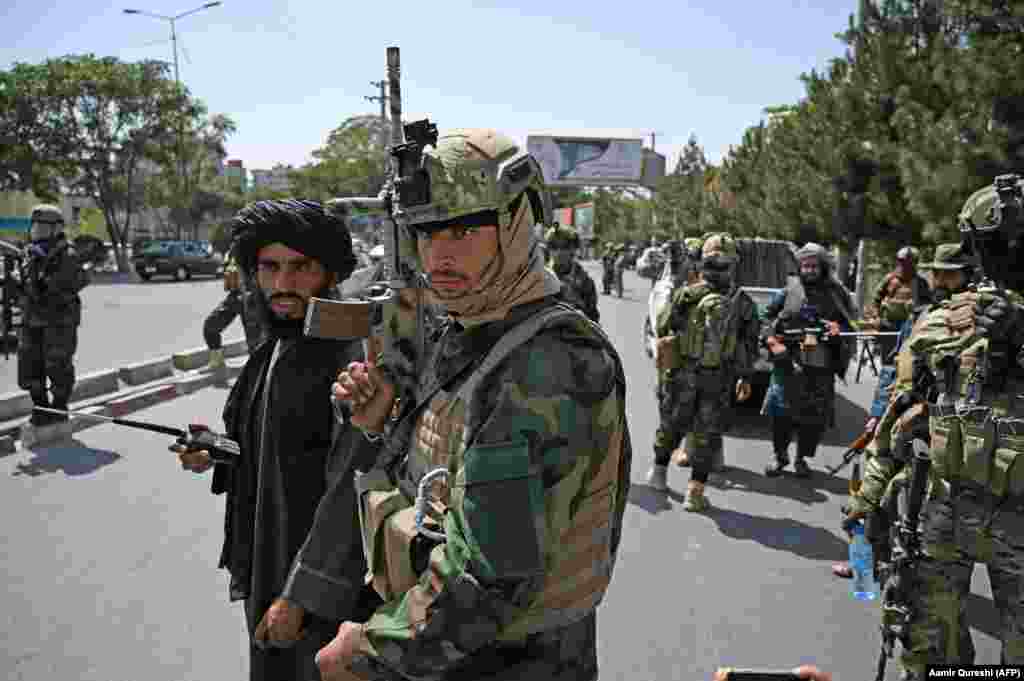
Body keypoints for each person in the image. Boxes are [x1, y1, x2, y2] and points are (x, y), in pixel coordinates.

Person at [315, 127, 632, 681]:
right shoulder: (476, 325)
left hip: (504, 659)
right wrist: (381, 424)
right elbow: (444, 473)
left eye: (463, 230)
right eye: (426, 233)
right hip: (451, 640)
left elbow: (489, 578)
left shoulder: (542, 362)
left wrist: (370, 650)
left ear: (514, 225)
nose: (439, 256)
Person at [175, 199, 381, 681]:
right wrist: (215, 450)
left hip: (326, 594)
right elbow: (270, 451)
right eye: (270, 267)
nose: (283, 284)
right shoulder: (276, 345)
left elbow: (351, 490)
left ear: (330, 273)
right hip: (269, 569)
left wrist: (299, 596)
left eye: (300, 267)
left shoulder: (350, 357)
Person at [844, 179, 1024, 678]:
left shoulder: (943, 321)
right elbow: (902, 417)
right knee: (929, 651)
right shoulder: (941, 324)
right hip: (946, 509)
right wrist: (869, 499)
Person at [646, 233, 760, 510]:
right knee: (695, 432)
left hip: (697, 375)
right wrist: (745, 376)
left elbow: (662, 326)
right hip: (705, 376)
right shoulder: (736, 301)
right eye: (716, 264)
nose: (719, 270)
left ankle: (670, 480)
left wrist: (745, 375)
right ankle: (684, 487)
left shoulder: (698, 295)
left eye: (722, 264)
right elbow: (749, 342)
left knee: (685, 428)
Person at [761, 243, 856, 478]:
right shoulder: (789, 290)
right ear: (800, 266)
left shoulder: (836, 293)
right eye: (806, 265)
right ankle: (779, 456)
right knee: (780, 413)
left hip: (820, 366)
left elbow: (849, 325)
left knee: (814, 417)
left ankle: (801, 459)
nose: (810, 270)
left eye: (814, 266)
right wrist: (773, 342)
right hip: (788, 362)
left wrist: (837, 328)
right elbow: (765, 318)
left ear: (822, 267)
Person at [17, 204, 90, 428]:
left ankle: (58, 408)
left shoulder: (67, 255)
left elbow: (68, 285)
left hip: (58, 322)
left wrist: (44, 276)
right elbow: (24, 284)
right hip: (32, 321)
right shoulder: (30, 253)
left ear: (56, 229)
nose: (36, 231)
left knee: (58, 366)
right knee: (30, 366)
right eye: (35, 226)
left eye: (41, 227)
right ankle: (40, 408)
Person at [201, 247, 267, 373]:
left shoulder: (258, 246)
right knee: (210, 326)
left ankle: (260, 373)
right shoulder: (232, 250)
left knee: (255, 342)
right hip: (235, 295)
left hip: (252, 297)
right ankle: (217, 362)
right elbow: (227, 269)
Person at [868, 245, 932, 362]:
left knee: (906, 361)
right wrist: (875, 317)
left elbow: (929, 306)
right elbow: (876, 300)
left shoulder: (921, 283)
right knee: (887, 361)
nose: (905, 265)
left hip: (911, 329)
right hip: (889, 327)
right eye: (902, 262)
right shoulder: (890, 279)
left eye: (908, 262)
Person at [545, 223, 600, 323]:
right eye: (554, 246)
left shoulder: (584, 281)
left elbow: (592, 317)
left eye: (564, 247)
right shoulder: (541, 276)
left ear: (573, 250)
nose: (559, 252)